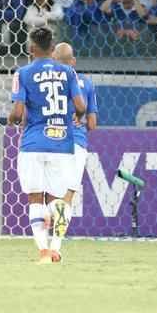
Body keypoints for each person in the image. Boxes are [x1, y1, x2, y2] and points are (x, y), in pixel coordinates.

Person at [8, 26, 87, 264]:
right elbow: (81, 107)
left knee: (35, 198)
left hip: (33, 143)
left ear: (31, 49)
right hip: (62, 145)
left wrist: (12, 119)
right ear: (53, 49)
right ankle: (56, 248)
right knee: (57, 201)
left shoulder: (22, 73)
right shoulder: (69, 73)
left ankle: (43, 251)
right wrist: (77, 117)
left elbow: (18, 111)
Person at [53, 43, 98, 214]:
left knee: (50, 193)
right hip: (77, 142)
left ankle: (44, 234)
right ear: (73, 61)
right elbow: (92, 125)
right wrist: (81, 120)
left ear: (53, 60)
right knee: (67, 196)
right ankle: (57, 238)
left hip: (51, 140)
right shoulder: (86, 83)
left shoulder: (48, 83)